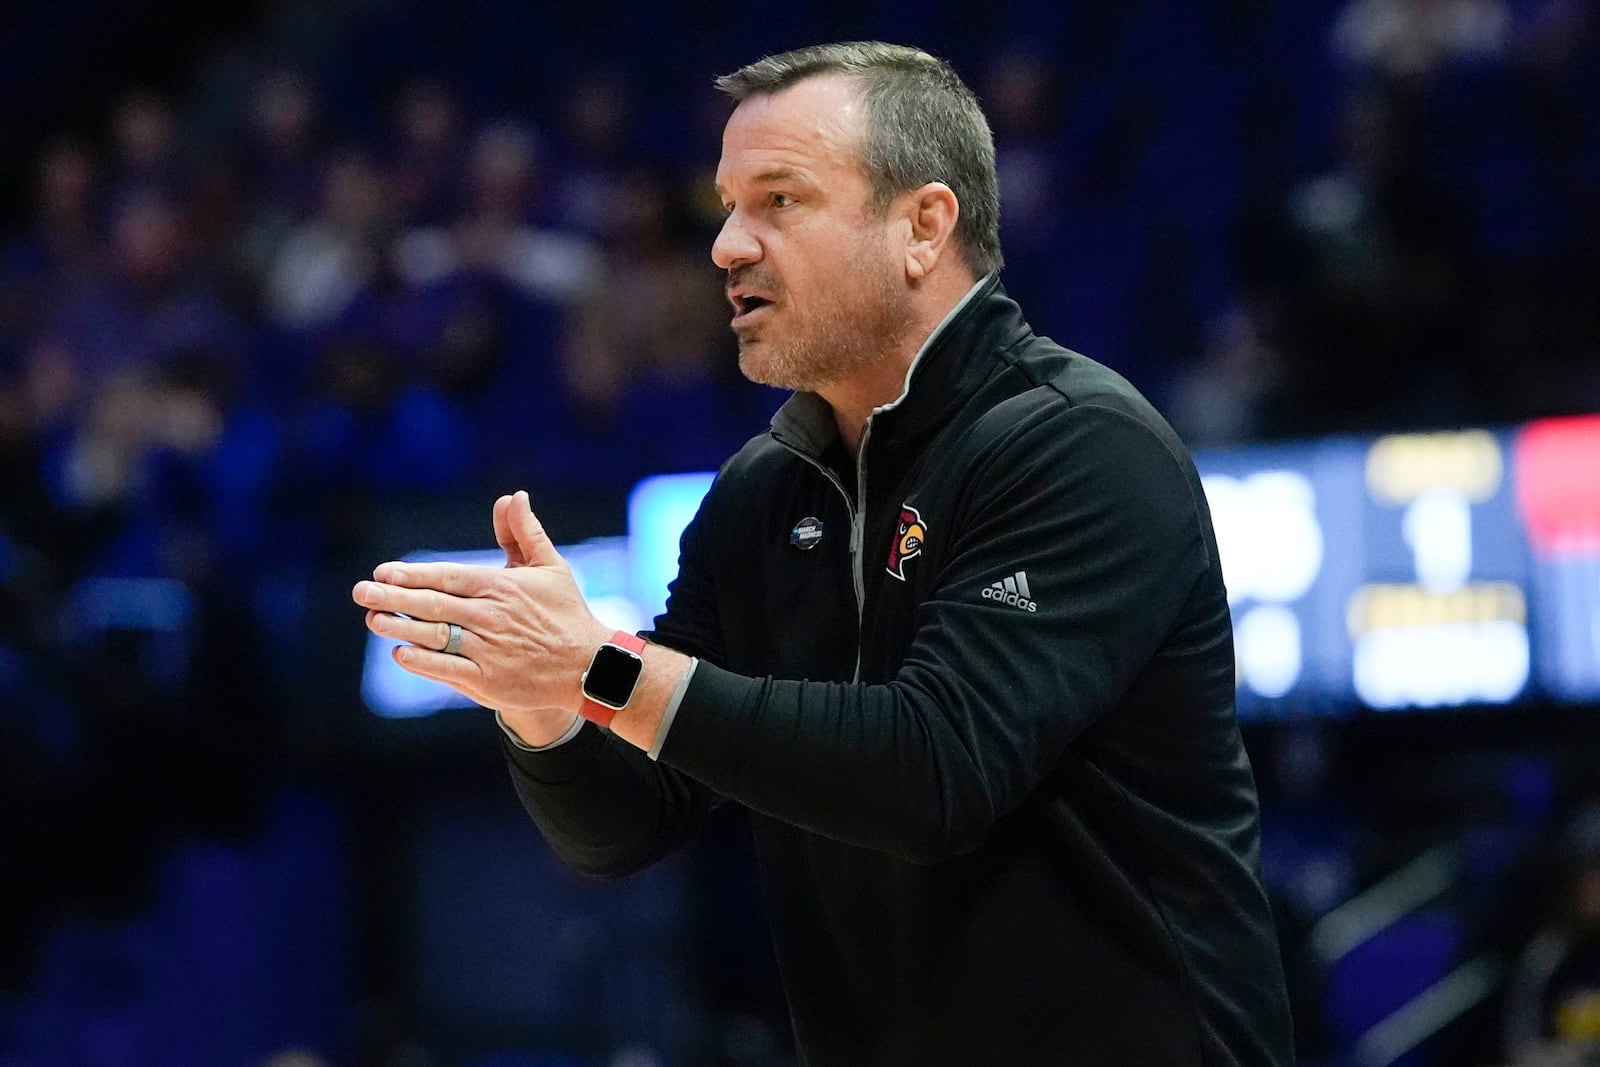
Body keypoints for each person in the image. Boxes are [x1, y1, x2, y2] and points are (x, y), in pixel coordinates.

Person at [352, 41, 1296, 1065]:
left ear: (923, 226)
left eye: (779, 201)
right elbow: (625, 823)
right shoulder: (763, 491)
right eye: (724, 204)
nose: (724, 245)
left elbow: (933, 769)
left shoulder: (1077, 444)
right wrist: (540, 702)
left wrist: (597, 664)